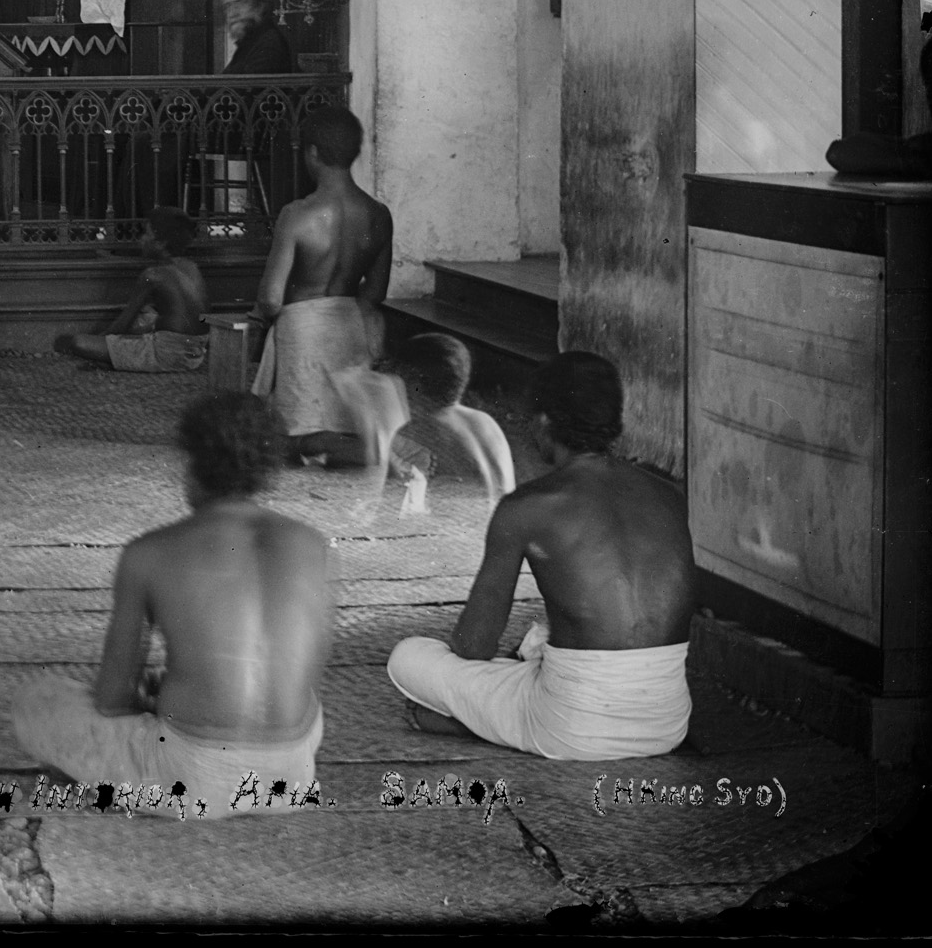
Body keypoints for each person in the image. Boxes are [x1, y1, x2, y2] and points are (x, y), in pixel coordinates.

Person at [11, 394, 330, 817]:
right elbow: (304, 668)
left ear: (191, 465)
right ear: (267, 471)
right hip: (292, 773)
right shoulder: (310, 543)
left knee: (39, 700)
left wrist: (154, 700)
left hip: (193, 779)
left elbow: (111, 700)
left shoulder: (149, 552)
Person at [388, 353, 693, 760]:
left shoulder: (527, 506)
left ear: (545, 422)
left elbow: (472, 646)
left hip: (572, 729)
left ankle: (481, 722)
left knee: (409, 657)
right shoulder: (668, 496)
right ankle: (497, 716)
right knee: (535, 653)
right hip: (667, 723)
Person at [254, 107, 390, 466]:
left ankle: (332, 446)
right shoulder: (378, 214)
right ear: (356, 152)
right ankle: (349, 444)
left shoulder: (297, 214)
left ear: (311, 152)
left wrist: (264, 320)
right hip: (350, 324)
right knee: (341, 423)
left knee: (282, 440)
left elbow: (270, 299)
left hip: (301, 328)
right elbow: (375, 293)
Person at [332, 333, 516, 516]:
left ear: (411, 381)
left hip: (456, 539)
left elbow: (389, 513)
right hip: (497, 532)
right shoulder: (485, 421)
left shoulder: (418, 431)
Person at [58, 209, 211, 373]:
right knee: (147, 316)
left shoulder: (152, 275)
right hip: (197, 354)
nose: (141, 240)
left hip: (167, 355)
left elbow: (122, 325)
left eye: (146, 234)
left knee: (77, 342)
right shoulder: (192, 267)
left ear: (161, 243)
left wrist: (100, 343)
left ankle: (119, 361)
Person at [219, 0, 301, 76]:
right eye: (228, 6)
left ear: (260, 7)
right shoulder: (249, 43)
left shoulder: (269, 44)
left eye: (241, 3)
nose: (232, 13)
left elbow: (246, 89)